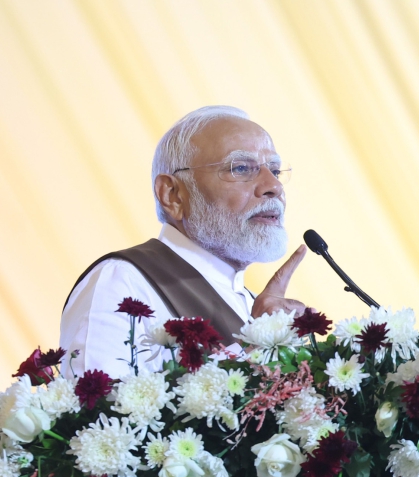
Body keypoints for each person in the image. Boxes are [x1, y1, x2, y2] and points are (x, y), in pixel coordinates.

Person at [60, 106, 307, 378]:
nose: (273, 186)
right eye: (241, 168)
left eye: (274, 169)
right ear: (173, 195)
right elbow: (97, 414)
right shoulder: (122, 281)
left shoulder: (252, 303)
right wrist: (254, 349)